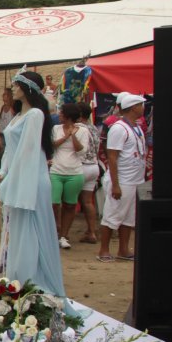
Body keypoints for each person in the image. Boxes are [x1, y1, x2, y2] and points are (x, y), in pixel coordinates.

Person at [0, 70, 64, 296]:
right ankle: (18, 279)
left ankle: (33, 282)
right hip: (18, 178)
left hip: (31, 179)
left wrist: (9, 179)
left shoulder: (35, 115)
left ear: (27, 87)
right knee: (18, 233)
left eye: (17, 84)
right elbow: (12, 150)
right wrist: (2, 173)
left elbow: (28, 152)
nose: (12, 88)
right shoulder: (17, 117)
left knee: (32, 232)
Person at [98, 93, 147, 263]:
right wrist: (116, 184)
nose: (143, 107)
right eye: (141, 105)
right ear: (133, 107)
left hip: (135, 180)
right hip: (122, 179)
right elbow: (112, 156)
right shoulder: (119, 128)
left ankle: (123, 249)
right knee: (112, 214)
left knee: (129, 218)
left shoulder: (137, 127)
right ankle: (103, 249)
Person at [48, 103, 86, 250]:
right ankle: (54, 230)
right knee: (54, 203)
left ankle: (64, 235)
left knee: (70, 205)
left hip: (74, 172)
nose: (59, 115)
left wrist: (74, 136)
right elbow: (52, 145)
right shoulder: (55, 129)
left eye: (62, 113)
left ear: (68, 116)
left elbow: (81, 150)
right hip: (56, 170)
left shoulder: (83, 131)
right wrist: (66, 136)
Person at [75, 102, 101, 244]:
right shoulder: (94, 128)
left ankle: (62, 233)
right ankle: (91, 231)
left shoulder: (78, 128)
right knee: (87, 201)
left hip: (80, 166)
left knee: (70, 201)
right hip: (93, 166)